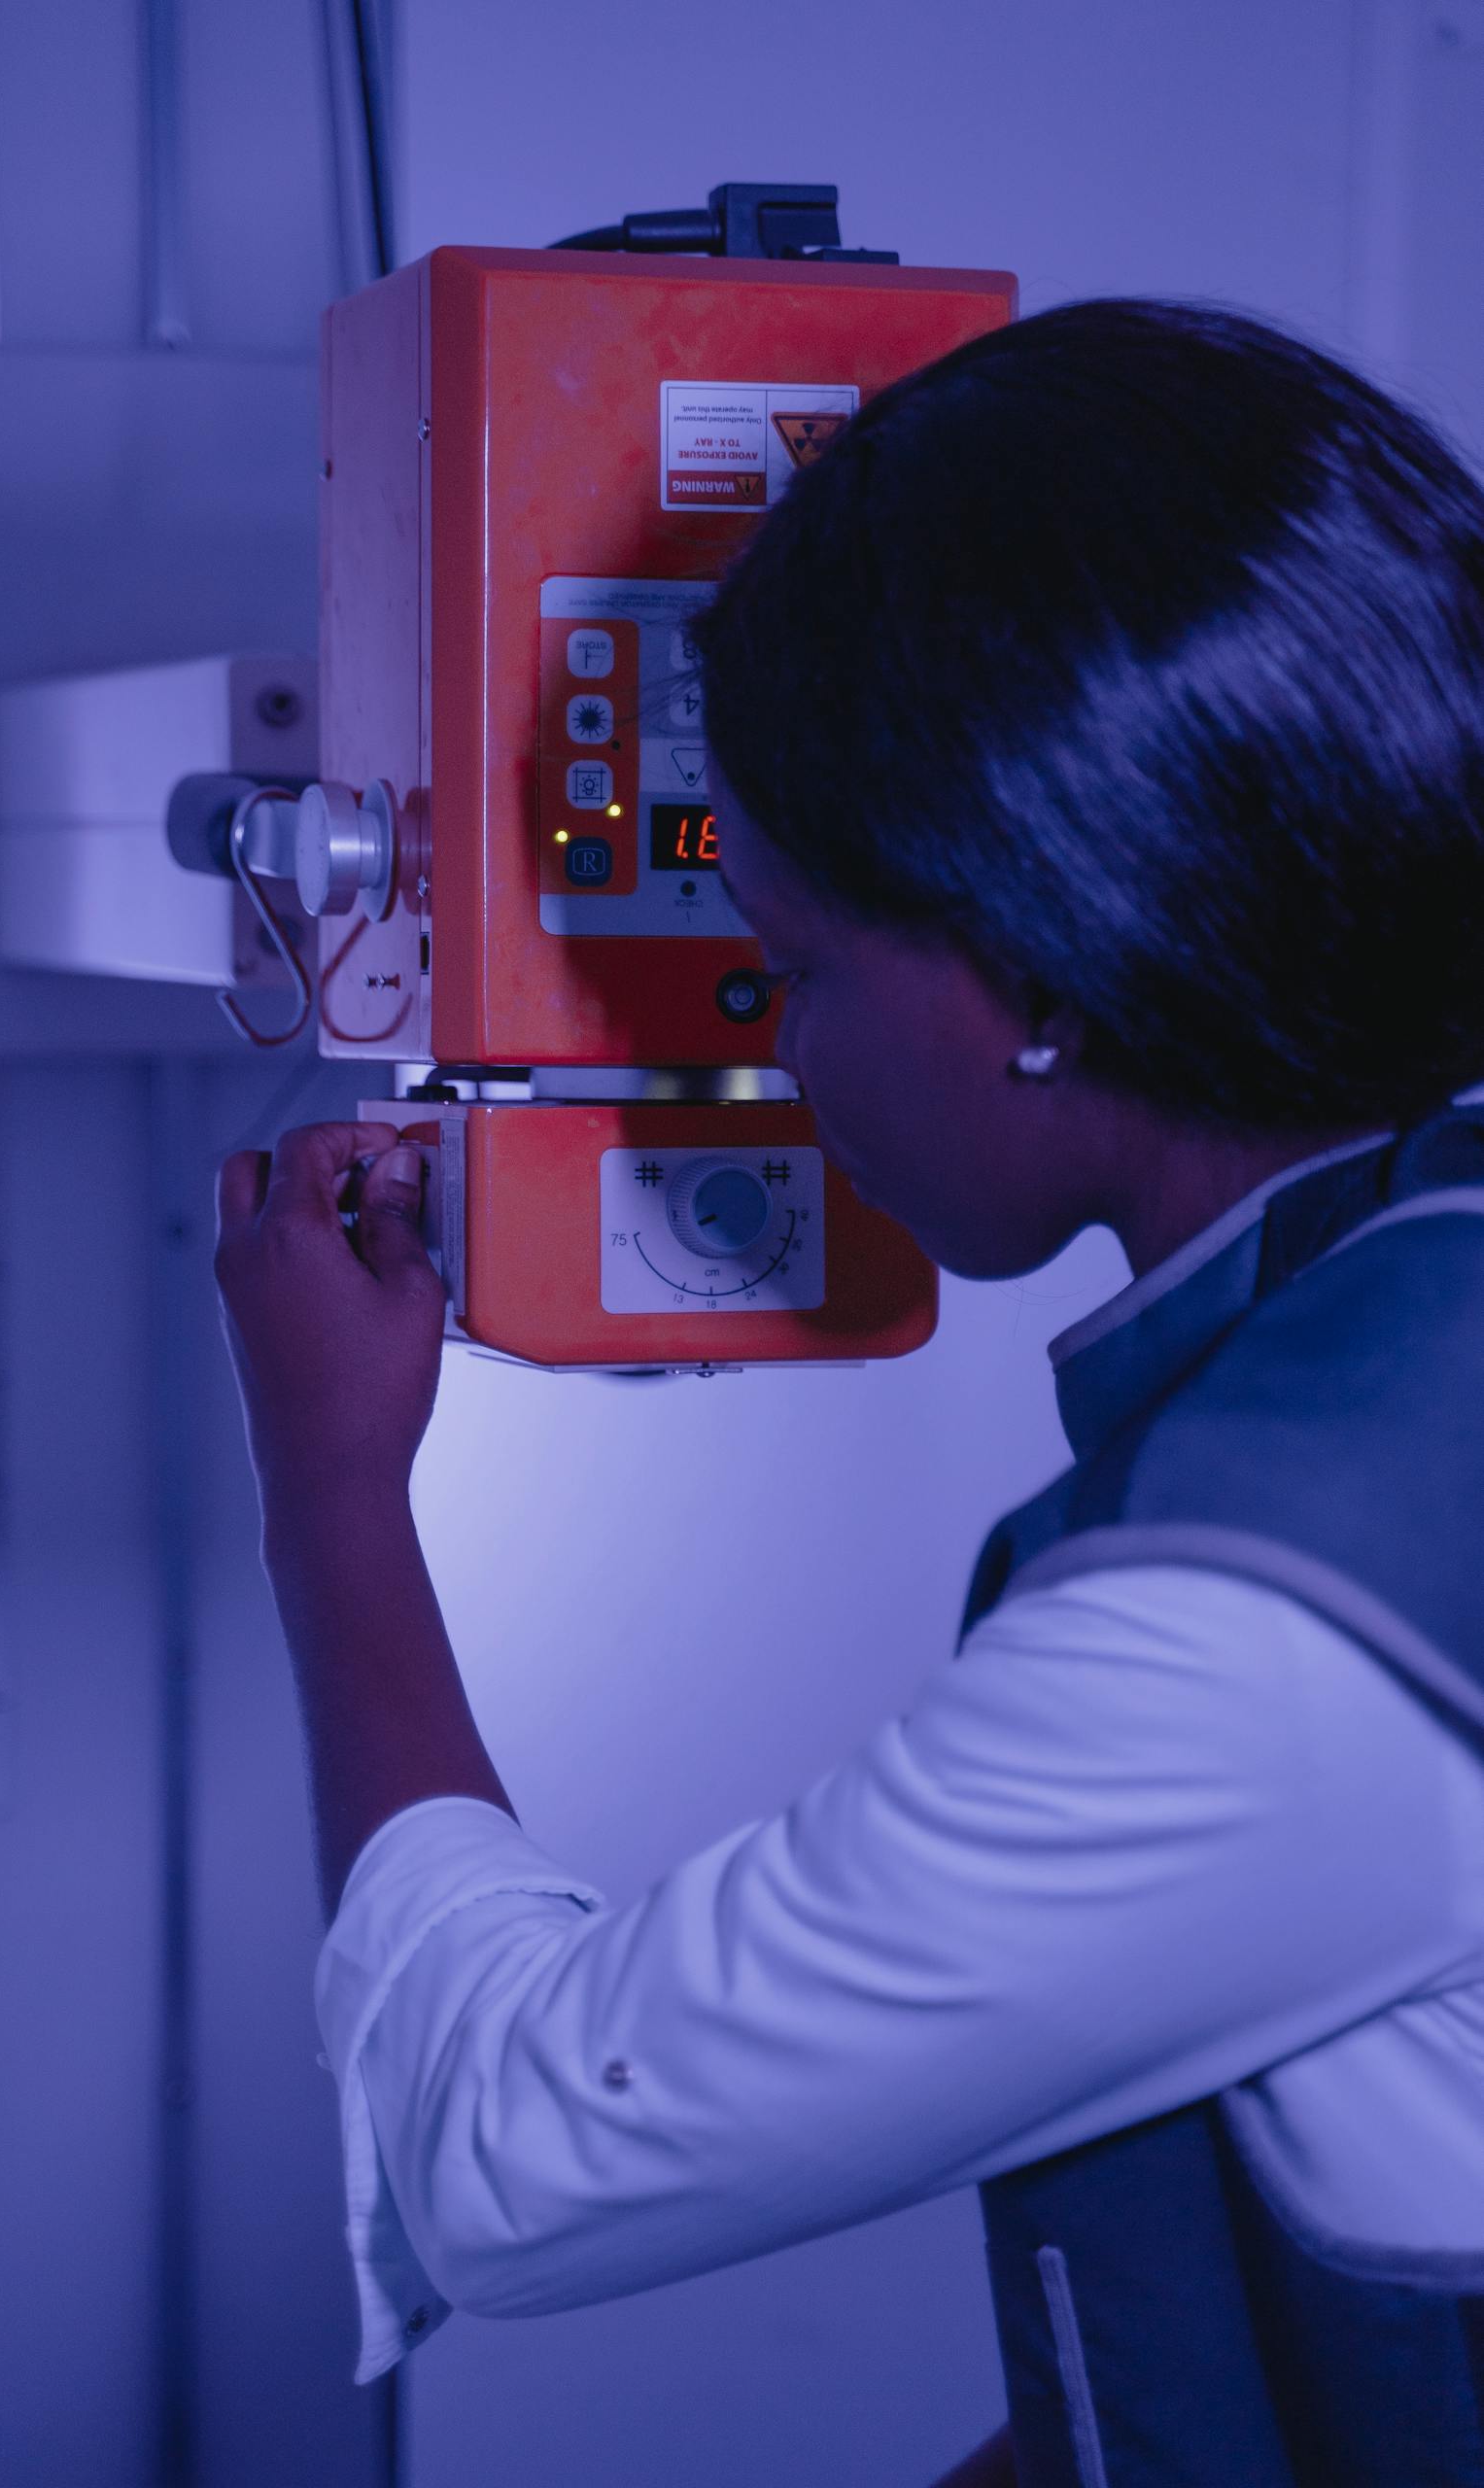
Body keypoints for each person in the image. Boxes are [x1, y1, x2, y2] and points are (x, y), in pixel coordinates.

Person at [215, 300, 1484, 2487]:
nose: (774, 1054)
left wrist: (336, 1486)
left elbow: (516, 2144)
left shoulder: (1247, 1642)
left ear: (1043, 983)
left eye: (787, 964)